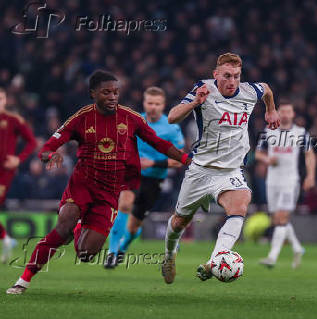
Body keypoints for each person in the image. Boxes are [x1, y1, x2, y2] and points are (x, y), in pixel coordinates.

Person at [6, 70, 191, 294]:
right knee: (61, 228)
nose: (113, 96)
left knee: (85, 254)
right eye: (106, 92)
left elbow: (158, 143)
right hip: (82, 185)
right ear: (93, 93)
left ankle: (77, 229)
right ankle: (23, 280)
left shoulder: (130, 118)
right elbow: (52, 143)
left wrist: (184, 158)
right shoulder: (81, 118)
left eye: (115, 92)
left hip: (109, 192)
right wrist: (48, 154)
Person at [161, 52, 280, 284]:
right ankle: (169, 256)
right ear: (216, 74)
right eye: (226, 76)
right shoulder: (203, 88)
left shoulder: (249, 91)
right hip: (201, 170)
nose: (232, 81)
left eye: (236, 76)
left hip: (231, 171)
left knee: (241, 203)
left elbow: (266, 89)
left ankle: (215, 260)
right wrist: (196, 101)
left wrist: (271, 110)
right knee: (179, 222)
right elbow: (172, 117)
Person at [104, 86, 184, 268]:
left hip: (154, 180)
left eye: (157, 104)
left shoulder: (172, 127)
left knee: (133, 228)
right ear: (144, 103)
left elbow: (179, 160)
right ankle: (112, 252)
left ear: (163, 105)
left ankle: (123, 247)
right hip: (131, 174)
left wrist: (153, 163)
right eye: (150, 103)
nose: (153, 107)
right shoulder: (132, 120)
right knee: (123, 205)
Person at [256, 103, 315, 269]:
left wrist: (310, 176)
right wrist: (267, 160)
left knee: (282, 218)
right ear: (277, 113)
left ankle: (272, 257)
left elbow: (310, 154)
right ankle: (297, 248)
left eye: (289, 111)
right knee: (277, 220)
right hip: (272, 181)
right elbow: (258, 153)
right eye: (282, 111)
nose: (285, 114)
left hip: (290, 181)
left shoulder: (301, 133)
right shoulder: (268, 132)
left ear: (293, 113)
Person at [0, 87, 37, 263]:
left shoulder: (13, 120)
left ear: (5, 100)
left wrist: (18, 159)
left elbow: (31, 141)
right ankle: (7, 239)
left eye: (1, 98)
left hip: (4, 171)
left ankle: (6, 239)